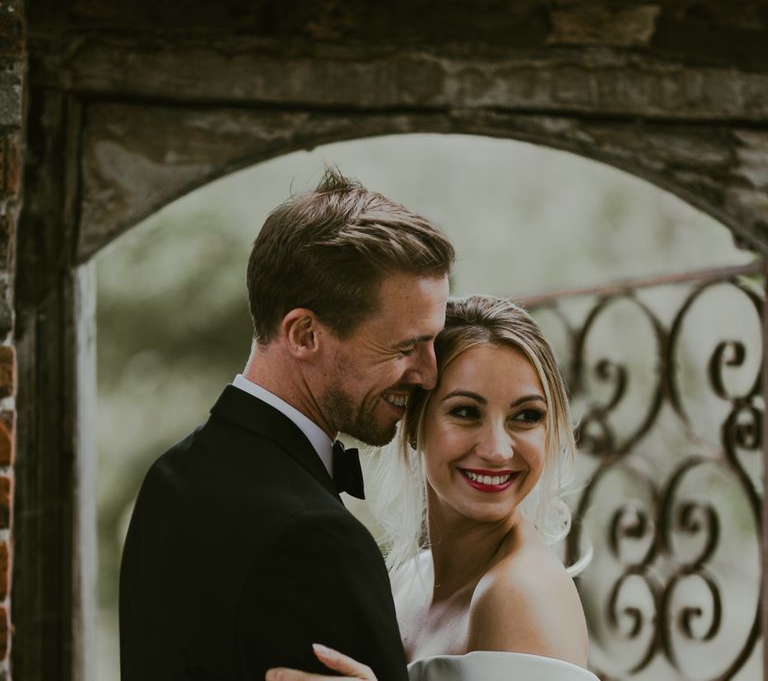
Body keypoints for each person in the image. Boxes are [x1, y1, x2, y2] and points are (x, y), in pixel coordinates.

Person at [119, 168, 454, 681]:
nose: (429, 374)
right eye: (406, 347)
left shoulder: (171, 476)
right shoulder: (315, 538)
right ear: (303, 333)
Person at [267, 295, 596, 681]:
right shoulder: (409, 581)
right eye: (465, 412)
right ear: (412, 426)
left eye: (526, 416)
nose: (496, 449)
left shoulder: (517, 592)